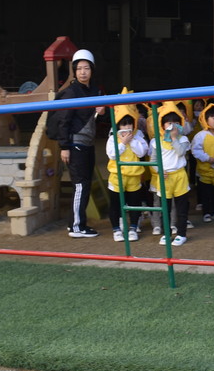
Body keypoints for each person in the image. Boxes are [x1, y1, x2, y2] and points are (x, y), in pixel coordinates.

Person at [55, 49, 103, 238]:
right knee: (80, 185)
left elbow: (94, 118)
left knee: (85, 184)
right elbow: (63, 121)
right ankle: (77, 227)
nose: (83, 72)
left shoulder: (95, 90)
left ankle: (74, 223)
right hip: (75, 144)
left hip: (88, 143)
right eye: (79, 68)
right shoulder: (71, 92)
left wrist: (101, 111)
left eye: (86, 68)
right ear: (74, 71)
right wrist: (64, 147)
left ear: (92, 70)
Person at [149, 102, 191, 246]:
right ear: (162, 125)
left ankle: (181, 234)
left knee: (181, 208)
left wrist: (173, 138)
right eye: (169, 123)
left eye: (176, 123)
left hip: (180, 176)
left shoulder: (183, 139)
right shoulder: (157, 141)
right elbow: (153, 161)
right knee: (165, 209)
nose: (172, 126)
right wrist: (159, 171)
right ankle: (166, 234)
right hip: (165, 177)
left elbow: (180, 152)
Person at [106, 100, 148, 242]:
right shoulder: (113, 138)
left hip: (134, 176)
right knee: (115, 203)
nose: (127, 127)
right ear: (118, 125)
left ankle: (133, 228)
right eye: (124, 124)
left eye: (130, 124)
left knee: (134, 203)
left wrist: (132, 141)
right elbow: (112, 155)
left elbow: (142, 152)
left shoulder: (138, 136)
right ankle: (116, 229)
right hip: (117, 176)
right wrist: (123, 143)